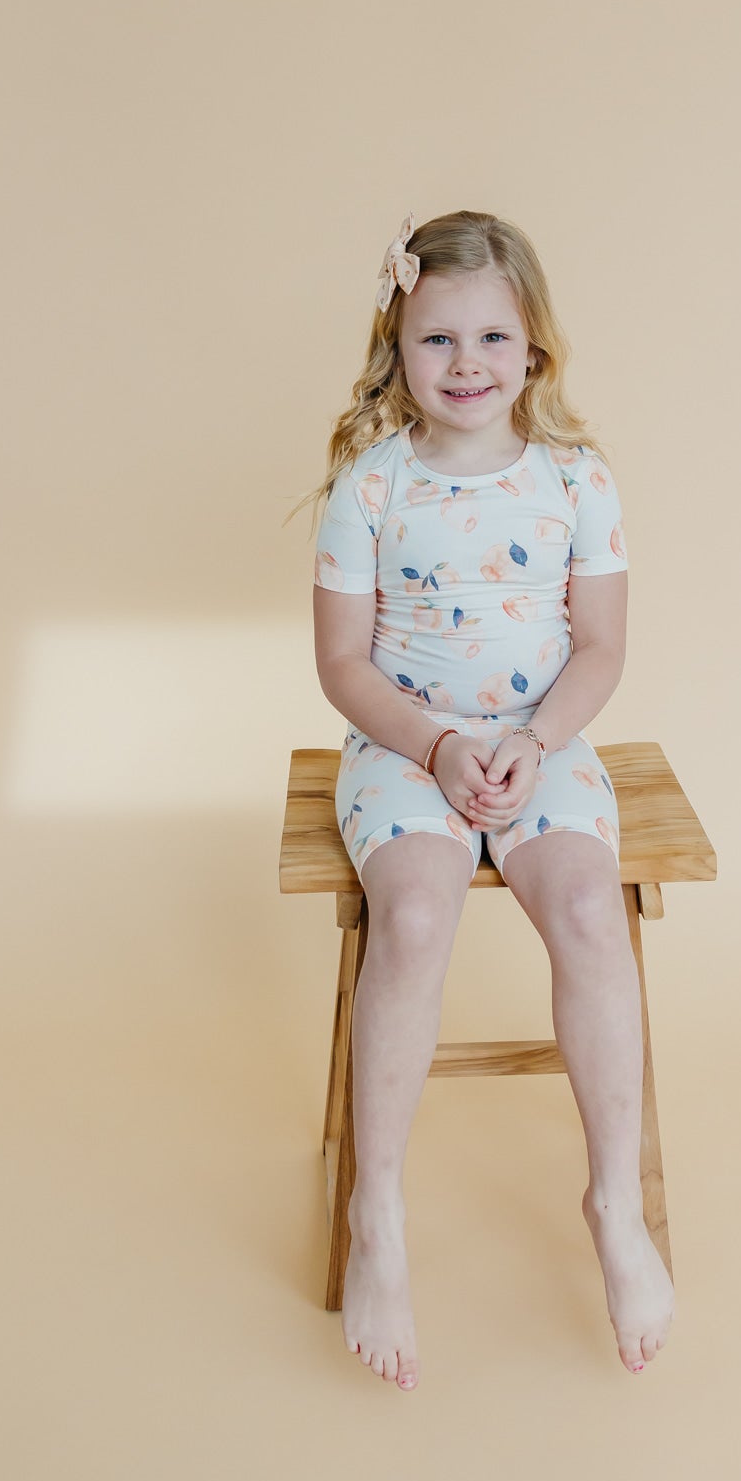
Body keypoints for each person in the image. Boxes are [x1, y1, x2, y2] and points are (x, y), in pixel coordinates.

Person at [290, 208, 674, 1390]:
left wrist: (529, 741)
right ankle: (378, 1208)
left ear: (533, 346)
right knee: (412, 914)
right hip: (403, 746)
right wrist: (441, 744)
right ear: (396, 349)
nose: (466, 364)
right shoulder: (369, 486)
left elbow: (600, 646)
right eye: (437, 339)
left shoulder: (575, 478)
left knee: (588, 909)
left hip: (538, 742)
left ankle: (612, 1202)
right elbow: (341, 664)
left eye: (492, 337)